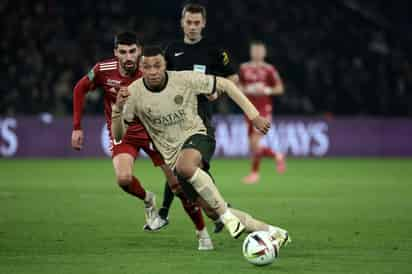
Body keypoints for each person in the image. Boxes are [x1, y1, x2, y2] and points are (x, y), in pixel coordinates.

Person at [112, 46, 290, 246]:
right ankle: (275, 232)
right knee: (212, 209)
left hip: (198, 136)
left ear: (165, 66)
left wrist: (254, 115)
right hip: (174, 160)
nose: (152, 71)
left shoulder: (183, 79)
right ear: (140, 68)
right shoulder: (134, 93)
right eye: (147, 66)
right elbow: (119, 135)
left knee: (187, 168)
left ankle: (227, 217)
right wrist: (117, 110)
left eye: (157, 65)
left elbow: (227, 86)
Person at [71, 32, 213, 250]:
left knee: (178, 187)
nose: (128, 56)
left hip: (155, 132)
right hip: (124, 133)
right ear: (115, 53)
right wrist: (77, 127)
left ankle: (202, 233)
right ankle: (148, 199)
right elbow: (79, 89)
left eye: (132, 51)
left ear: (139, 50)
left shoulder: (150, 72)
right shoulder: (103, 70)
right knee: (124, 179)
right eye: (123, 52)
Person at [157, 2, 237, 234]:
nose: (192, 27)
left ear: (203, 24)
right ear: (182, 23)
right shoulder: (170, 50)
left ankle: (216, 211)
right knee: (182, 169)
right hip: (173, 118)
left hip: (200, 118)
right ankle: (219, 212)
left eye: (196, 23)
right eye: (188, 22)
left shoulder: (213, 50)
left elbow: (233, 78)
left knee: (190, 167)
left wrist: (217, 90)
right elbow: (160, 80)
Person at [239, 41, 286, 184]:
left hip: (264, 108)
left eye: (260, 51)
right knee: (253, 146)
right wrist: (248, 89)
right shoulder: (244, 68)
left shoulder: (269, 69)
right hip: (249, 108)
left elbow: (280, 88)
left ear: (264, 53)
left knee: (255, 141)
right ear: (251, 52)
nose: (257, 53)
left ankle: (255, 173)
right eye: (255, 51)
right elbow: (237, 86)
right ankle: (277, 155)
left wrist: (266, 90)